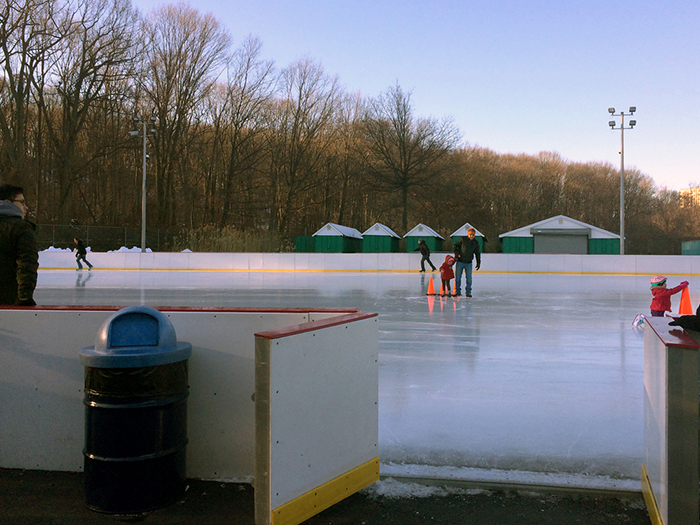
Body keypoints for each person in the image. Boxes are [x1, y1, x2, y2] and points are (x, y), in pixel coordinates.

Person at [0, 184, 38, 306]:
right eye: (22, 202)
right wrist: (25, 297)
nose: (25, 207)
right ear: (8, 202)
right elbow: (27, 263)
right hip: (9, 300)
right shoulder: (21, 228)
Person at [453, 227, 481, 297]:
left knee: (469, 278)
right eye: (470, 234)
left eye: (473, 235)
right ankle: (458, 291)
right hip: (460, 262)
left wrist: (478, 263)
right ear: (468, 234)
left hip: (468, 263)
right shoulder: (462, 240)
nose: (471, 236)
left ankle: (468, 292)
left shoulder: (475, 243)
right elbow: (455, 245)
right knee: (458, 277)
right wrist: (456, 253)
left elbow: (477, 253)